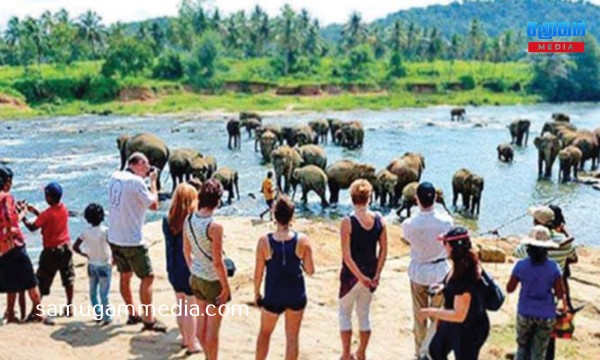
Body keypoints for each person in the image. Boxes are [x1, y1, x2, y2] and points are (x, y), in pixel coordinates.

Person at [107, 152, 166, 331]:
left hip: (114, 237)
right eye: (146, 166)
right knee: (147, 277)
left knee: (125, 275)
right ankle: (148, 320)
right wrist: (153, 182)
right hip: (132, 239)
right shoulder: (137, 182)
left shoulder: (114, 176)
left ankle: (132, 313)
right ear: (139, 163)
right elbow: (154, 204)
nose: (147, 170)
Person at [513, 205, 579, 360]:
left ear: (536, 222)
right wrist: (564, 231)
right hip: (550, 301)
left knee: (525, 341)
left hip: (528, 301)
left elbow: (517, 252)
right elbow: (574, 257)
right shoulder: (565, 242)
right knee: (547, 339)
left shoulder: (528, 246)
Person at [254, 196, 315, 360]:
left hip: (273, 293)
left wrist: (256, 293)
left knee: (265, 334)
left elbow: (258, 273)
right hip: (295, 293)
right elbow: (310, 270)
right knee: (292, 338)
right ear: (292, 216)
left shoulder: (264, 241)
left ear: (274, 215)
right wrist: (300, 262)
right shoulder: (302, 240)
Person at [418, 227, 490, 360]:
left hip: (470, 328)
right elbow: (454, 288)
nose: (443, 246)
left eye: (445, 243)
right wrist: (443, 288)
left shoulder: (466, 273)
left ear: (452, 247)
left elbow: (459, 315)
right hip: (455, 323)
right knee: (436, 350)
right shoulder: (461, 263)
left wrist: (431, 312)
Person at [401, 181, 453, 358]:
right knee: (438, 315)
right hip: (439, 271)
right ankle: (435, 350)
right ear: (435, 199)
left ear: (417, 199)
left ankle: (420, 352)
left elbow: (407, 239)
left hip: (418, 272)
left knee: (419, 315)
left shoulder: (409, 224)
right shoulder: (446, 221)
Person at [338, 179, 387, 360]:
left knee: (344, 313)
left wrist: (359, 276)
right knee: (364, 314)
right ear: (370, 197)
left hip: (351, 275)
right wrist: (376, 274)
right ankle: (362, 352)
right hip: (370, 273)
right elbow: (383, 250)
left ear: (352, 198)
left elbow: (347, 255)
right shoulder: (379, 221)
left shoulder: (348, 222)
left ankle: (346, 353)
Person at [183, 179, 231, 360]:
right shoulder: (215, 227)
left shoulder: (188, 219)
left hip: (196, 277)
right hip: (213, 281)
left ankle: (208, 357)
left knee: (201, 326)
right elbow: (218, 263)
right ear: (217, 200)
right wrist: (225, 287)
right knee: (213, 329)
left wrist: (195, 269)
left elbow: (186, 251)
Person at [506, 226, 567, 360]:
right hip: (546, 314)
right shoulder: (553, 267)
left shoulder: (521, 265)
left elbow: (509, 288)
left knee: (522, 347)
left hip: (525, 312)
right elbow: (560, 293)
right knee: (538, 352)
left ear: (528, 247)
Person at [21, 181, 75, 316]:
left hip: (51, 250)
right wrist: (34, 211)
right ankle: (69, 306)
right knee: (68, 278)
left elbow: (33, 227)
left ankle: (36, 310)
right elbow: (48, 218)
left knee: (42, 280)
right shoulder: (63, 209)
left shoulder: (47, 214)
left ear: (49, 197)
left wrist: (23, 215)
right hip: (66, 247)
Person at [0, 166, 43, 323]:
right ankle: (38, 313)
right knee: (31, 282)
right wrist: (23, 212)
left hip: (2, 248)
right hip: (14, 244)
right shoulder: (6, 197)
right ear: (7, 182)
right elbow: (10, 222)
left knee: (11, 283)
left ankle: (11, 314)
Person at [163, 184, 201, 354]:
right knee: (191, 307)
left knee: (181, 304)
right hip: (187, 268)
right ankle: (192, 343)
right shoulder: (191, 221)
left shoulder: (167, 219)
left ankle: (185, 339)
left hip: (172, 267)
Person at [73, 203, 112, 325]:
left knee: (93, 292)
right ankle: (107, 317)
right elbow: (113, 246)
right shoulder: (105, 231)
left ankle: (98, 313)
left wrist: (84, 254)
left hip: (92, 264)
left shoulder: (86, 232)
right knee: (104, 294)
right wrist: (115, 258)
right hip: (105, 264)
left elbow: (75, 246)